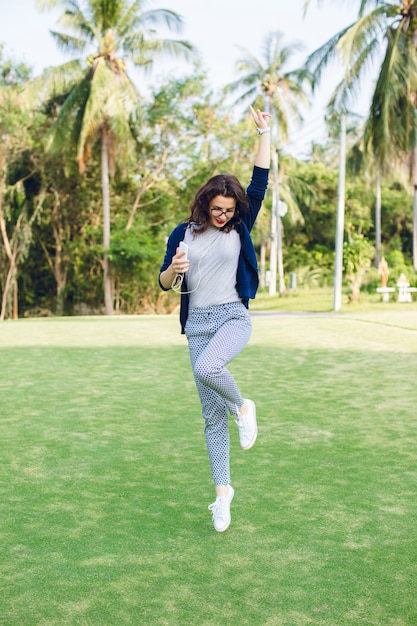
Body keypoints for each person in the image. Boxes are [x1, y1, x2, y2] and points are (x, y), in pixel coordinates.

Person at [159, 105, 271, 532]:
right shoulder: (182, 233)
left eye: (229, 210)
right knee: (210, 418)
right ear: (205, 203)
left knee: (211, 368)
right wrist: (175, 270)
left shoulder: (239, 225)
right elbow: (163, 281)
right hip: (197, 325)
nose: (223, 216)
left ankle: (243, 406)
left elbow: (259, 183)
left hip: (232, 317)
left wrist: (264, 133)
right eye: (218, 209)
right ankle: (223, 495)